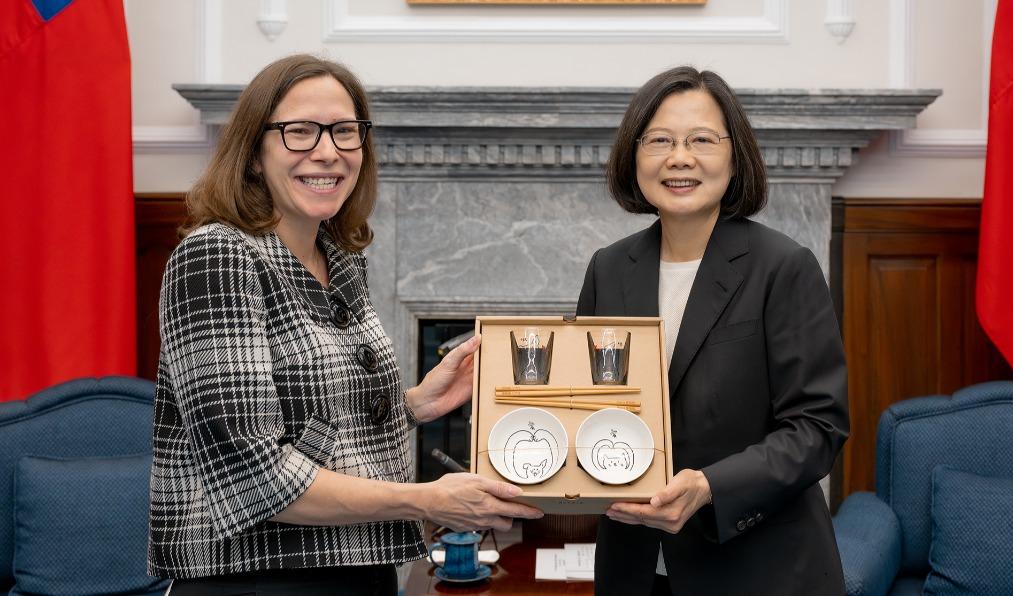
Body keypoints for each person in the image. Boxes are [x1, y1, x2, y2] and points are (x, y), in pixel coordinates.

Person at [148, 54, 542, 595]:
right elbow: (252, 474)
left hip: (359, 569)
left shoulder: (340, 256)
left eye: (344, 131)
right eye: (299, 132)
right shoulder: (218, 256)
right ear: (254, 153)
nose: (328, 151)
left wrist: (413, 404)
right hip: (257, 580)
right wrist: (427, 498)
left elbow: (314, 421)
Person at [576, 66, 849, 596]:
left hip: (758, 569)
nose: (680, 157)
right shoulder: (607, 268)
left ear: (734, 154)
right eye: (659, 141)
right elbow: (590, 406)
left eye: (701, 139)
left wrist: (709, 487)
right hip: (633, 568)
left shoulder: (783, 267)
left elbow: (818, 427)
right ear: (634, 158)